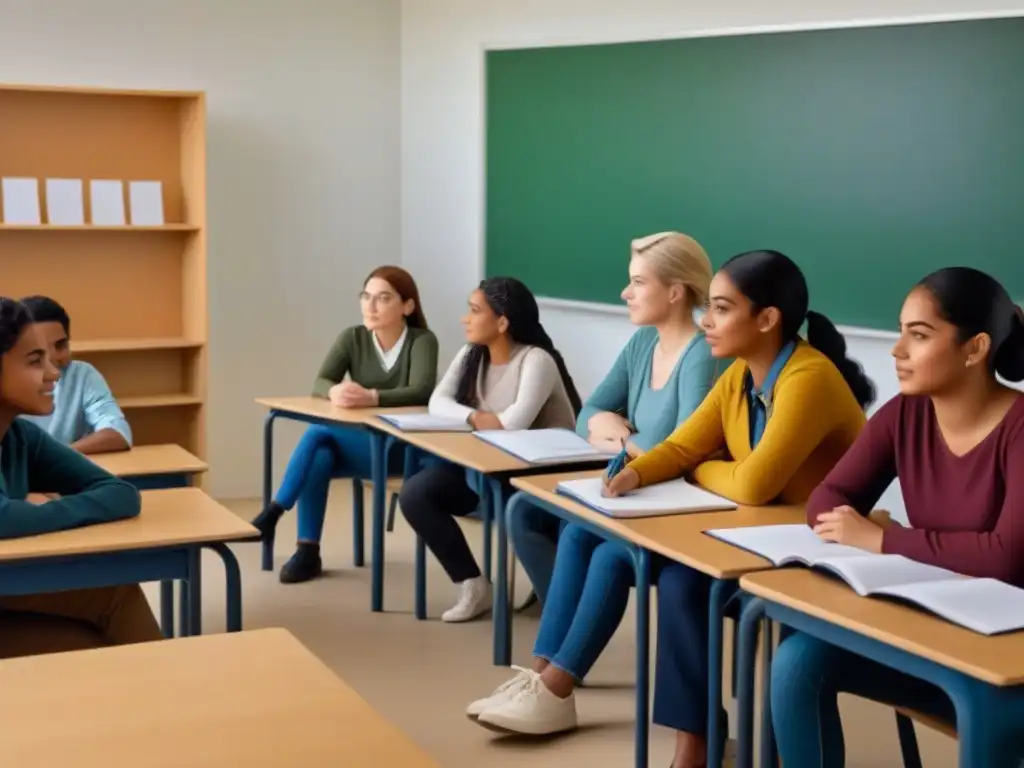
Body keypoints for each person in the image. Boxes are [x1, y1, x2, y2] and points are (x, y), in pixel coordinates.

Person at [469, 250, 874, 761]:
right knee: (673, 576)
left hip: (810, 555)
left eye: (723, 308)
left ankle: (687, 737)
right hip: (752, 537)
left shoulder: (807, 377)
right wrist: (635, 472)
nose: (709, 319)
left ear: (768, 319)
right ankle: (694, 738)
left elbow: (751, 486)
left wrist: (697, 468)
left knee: (682, 580)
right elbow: (686, 445)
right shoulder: (741, 374)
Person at [771, 267, 1024, 768]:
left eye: (919, 335)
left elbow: (1006, 558)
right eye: (900, 331)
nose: (897, 350)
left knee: (984, 716)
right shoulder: (905, 413)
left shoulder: (1019, 429)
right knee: (798, 661)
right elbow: (829, 498)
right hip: (931, 629)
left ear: (974, 349)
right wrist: (875, 535)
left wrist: (888, 539)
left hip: (1005, 660)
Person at [508, 231, 720, 610]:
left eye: (638, 282)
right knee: (525, 509)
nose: (625, 292)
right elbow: (586, 415)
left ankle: (561, 644)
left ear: (675, 291)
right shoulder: (642, 342)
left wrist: (621, 440)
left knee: (575, 529)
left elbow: (685, 450)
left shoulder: (702, 353)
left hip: (669, 496)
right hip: (631, 483)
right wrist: (624, 436)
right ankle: (558, 628)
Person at [399, 277, 581, 623]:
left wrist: (483, 421)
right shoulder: (472, 353)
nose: (464, 319)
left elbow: (514, 423)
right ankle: (473, 584)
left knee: (499, 500)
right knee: (416, 494)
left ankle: (557, 599)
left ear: (502, 321)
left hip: (535, 480)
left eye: (474, 310)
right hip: (486, 469)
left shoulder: (536, 360)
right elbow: (437, 402)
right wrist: (476, 416)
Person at [251, 266, 438, 583]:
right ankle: (307, 550)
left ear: (407, 306)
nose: (371, 306)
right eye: (366, 296)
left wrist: (373, 397)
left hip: (400, 450)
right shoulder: (352, 337)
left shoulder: (422, 341)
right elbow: (320, 381)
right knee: (318, 455)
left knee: (317, 432)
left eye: (383, 298)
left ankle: (275, 511)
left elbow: (421, 390)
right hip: (360, 445)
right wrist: (334, 390)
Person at [0, 297, 163, 657]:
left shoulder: (21, 437)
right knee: (113, 599)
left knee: (94, 636)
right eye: (34, 361)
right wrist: (16, 510)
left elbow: (121, 493)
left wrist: (39, 508)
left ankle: (165, 702)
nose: (53, 373)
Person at [19, 295, 132, 455]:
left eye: (61, 345)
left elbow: (118, 433)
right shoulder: (9, 381)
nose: (53, 357)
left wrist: (56, 456)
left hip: (67, 471)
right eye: (39, 348)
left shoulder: (82, 375)